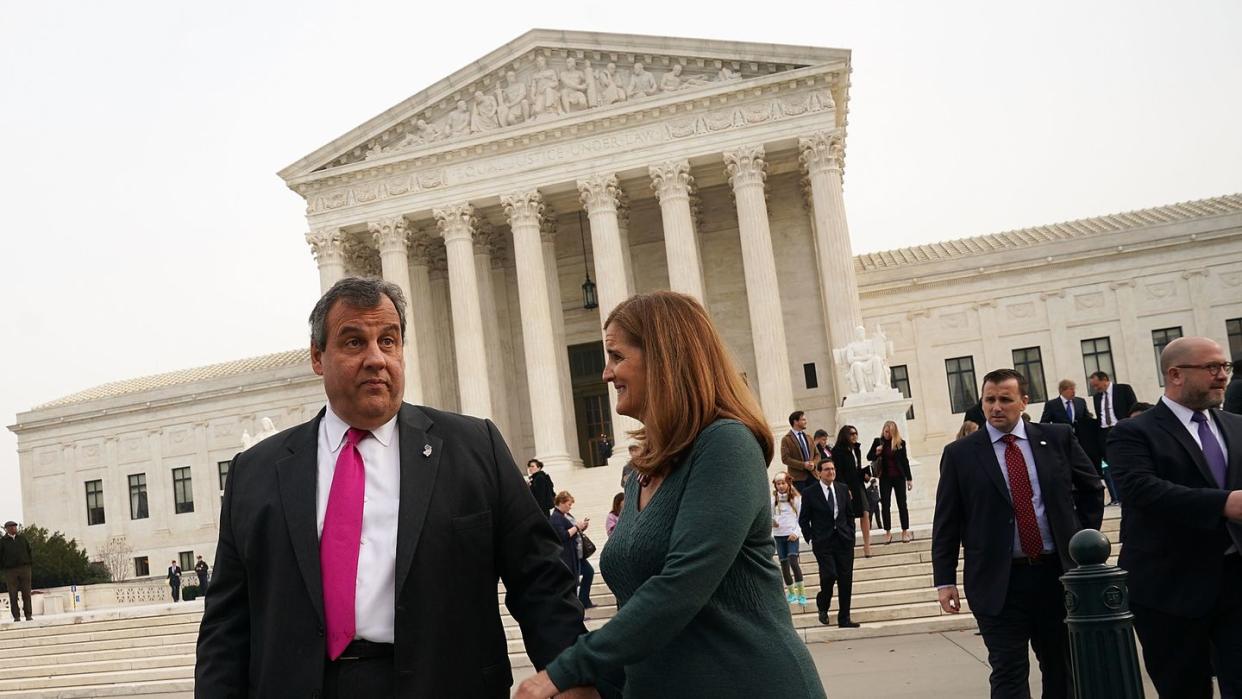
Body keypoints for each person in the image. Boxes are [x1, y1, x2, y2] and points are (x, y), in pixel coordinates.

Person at [196, 277, 586, 698]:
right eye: (353, 342)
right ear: (317, 357)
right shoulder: (256, 472)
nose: (376, 358)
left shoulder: (475, 448)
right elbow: (227, 625)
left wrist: (572, 675)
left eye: (389, 340)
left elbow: (539, 578)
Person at [515, 291, 825, 699]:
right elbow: (639, 614)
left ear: (665, 358)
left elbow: (681, 586)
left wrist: (563, 671)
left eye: (616, 356)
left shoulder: (726, 444)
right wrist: (595, 684)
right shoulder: (640, 470)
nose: (606, 374)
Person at [932, 368, 1104, 699]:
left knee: (1061, 665)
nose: (996, 407)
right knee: (1008, 669)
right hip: (998, 581)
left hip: (1056, 574)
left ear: (1024, 402)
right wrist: (945, 580)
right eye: (989, 400)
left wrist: (1081, 539)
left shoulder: (1056, 438)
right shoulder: (961, 454)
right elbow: (947, 521)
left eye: (1005, 400)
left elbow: (1091, 487)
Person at [1107, 337, 1242, 698]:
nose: (1222, 376)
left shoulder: (1235, 426)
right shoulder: (1132, 432)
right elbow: (1141, 490)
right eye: (1211, 368)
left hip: (1236, 583)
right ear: (1175, 374)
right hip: (1170, 591)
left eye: (1224, 367)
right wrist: (1223, 503)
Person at [799, 460, 860, 628]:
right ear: (819, 473)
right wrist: (810, 538)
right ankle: (823, 604)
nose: (830, 472)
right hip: (823, 542)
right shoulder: (809, 493)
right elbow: (804, 519)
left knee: (845, 580)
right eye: (826, 469)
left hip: (843, 540)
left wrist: (851, 534)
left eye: (833, 469)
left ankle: (844, 618)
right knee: (829, 575)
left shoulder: (842, 489)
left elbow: (849, 514)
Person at [1089, 370, 1137, 505]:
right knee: (1112, 466)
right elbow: (1100, 417)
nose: (1095, 388)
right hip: (1105, 433)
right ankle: (1119, 497)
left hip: (1122, 428)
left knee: (1129, 461)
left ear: (1105, 379)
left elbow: (1133, 408)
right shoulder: (1097, 397)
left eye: (1097, 385)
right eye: (1093, 386)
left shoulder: (1123, 389)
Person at [867, 421, 914, 544]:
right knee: (885, 505)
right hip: (885, 478)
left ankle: (905, 531)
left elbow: (905, 461)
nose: (887, 434)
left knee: (902, 504)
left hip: (899, 477)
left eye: (890, 432)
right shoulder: (878, 442)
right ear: (883, 430)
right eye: (886, 431)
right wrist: (877, 452)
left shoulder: (900, 443)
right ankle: (887, 532)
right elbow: (869, 457)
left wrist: (909, 479)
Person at [549, 492, 595, 610]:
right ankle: (576, 609)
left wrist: (579, 527)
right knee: (572, 584)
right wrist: (577, 527)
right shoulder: (556, 518)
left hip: (572, 554)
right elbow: (563, 535)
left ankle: (580, 606)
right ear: (562, 503)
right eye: (569, 504)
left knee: (576, 580)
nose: (570, 507)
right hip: (567, 556)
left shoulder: (562, 516)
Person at [1039, 378, 1100, 468]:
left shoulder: (1080, 402)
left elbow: (1087, 419)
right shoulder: (1052, 405)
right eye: (1071, 389)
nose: (1073, 392)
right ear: (1062, 390)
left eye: (1074, 389)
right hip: (1062, 440)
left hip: (1081, 440)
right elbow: (1044, 423)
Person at [831, 425, 872, 556]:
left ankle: (867, 546)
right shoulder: (837, 451)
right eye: (851, 434)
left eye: (856, 433)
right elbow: (838, 472)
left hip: (859, 485)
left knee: (865, 512)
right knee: (849, 517)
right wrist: (844, 488)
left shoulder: (856, 449)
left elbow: (857, 468)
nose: (855, 436)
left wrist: (865, 475)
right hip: (846, 487)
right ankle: (850, 545)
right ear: (845, 435)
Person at [771, 472, 806, 605]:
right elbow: (769, 516)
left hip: (791, 535)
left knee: (793, 561)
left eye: (783, 483)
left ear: (788, 483)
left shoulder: (796, 499)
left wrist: (796, 533)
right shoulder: (773, 500)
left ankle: (801, 593)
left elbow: (801, 519)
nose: (781, 486)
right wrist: (772, 522)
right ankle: (792, 593)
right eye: (778, 484)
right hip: (779, 536)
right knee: (784, 565)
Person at [1, 521, 34, 622]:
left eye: (15, 527)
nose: (14, 529)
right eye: (11, 527)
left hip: (25, 568)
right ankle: (16, 616)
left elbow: (29, 550)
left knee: (27, 593)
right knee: (13, 594)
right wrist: (5, 566)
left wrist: (29, 563)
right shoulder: (2, 541)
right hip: (10, 570)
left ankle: (28, 614)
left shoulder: (22, 539)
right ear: (7, 529)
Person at [780, 411, 817, 494]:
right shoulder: (786, 439)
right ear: (795, 422)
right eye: (803, 420)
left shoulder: (809, 437)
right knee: (803, 504)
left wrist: (813, 463)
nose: (805, 422)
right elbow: (785, 459)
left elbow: (817, 455)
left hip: (813, 476)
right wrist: (803, 465)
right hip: (798, 479)